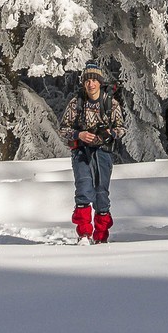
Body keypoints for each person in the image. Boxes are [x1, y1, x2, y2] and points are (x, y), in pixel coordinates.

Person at [59, 62, 126, 244]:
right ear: (84, 83)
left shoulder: (110, 103)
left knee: (101, 194)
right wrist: (78, 134)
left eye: (94, 80)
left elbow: (121, 129)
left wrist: (109, 133)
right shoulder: (76, 104)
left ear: (100, 82)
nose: (91, 84)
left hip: (103, 153)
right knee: (83, 190)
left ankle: (101, 235)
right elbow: (63, 129)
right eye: (87, 80)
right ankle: (84, 234)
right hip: (81, 152)